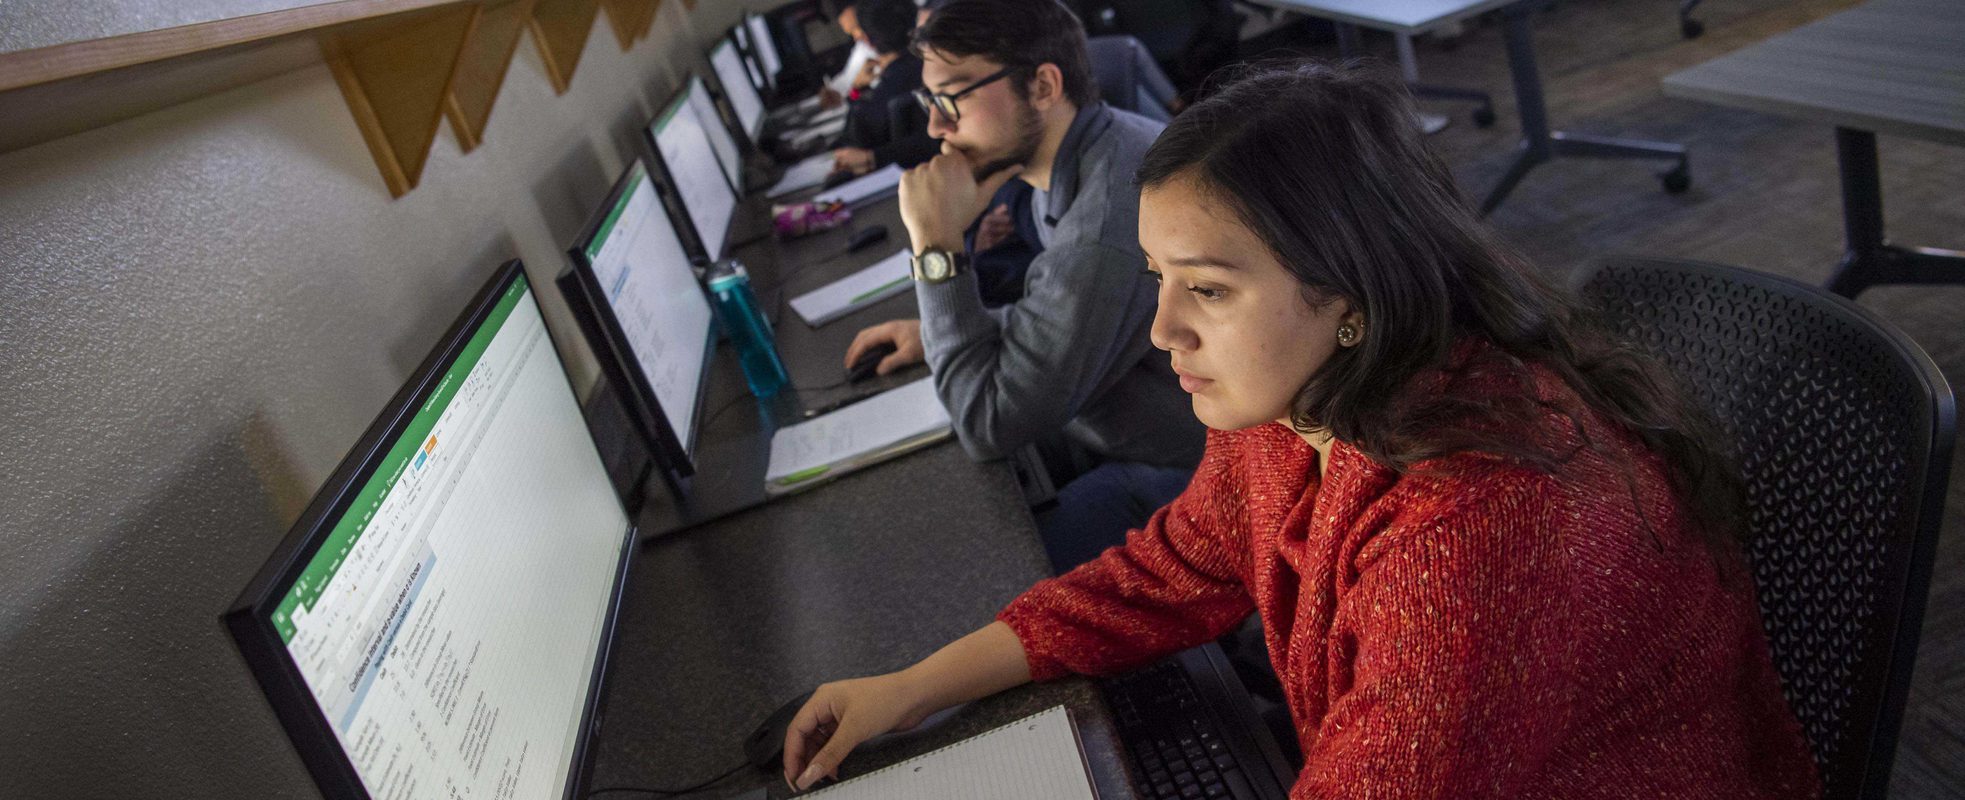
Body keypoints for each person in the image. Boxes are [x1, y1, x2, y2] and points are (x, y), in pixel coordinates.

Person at [785, 62, 1823, 798]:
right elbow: (1172, 568)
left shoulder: (1480, 531)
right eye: (1158, 279)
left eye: (1207, 288)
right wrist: (911, 690)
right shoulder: (1302, 403)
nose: (1162, 329)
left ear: (1348, 293)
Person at [844, 0, 1205, 571]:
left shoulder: (1101, 225)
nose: (937, 127)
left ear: (1042, 86)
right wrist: (945, 329)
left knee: (970, 571)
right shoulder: (1085, 154)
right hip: (1122, 424)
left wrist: (935, 246)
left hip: (1198, 477)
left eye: (952, 98)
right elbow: (1067, 315)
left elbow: (987, 423)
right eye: (929, 101)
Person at [830, 0, 941, 174]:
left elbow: (850, 141)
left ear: (866, 40)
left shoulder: (886, 90)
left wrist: (856, 90)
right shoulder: (936, 63)